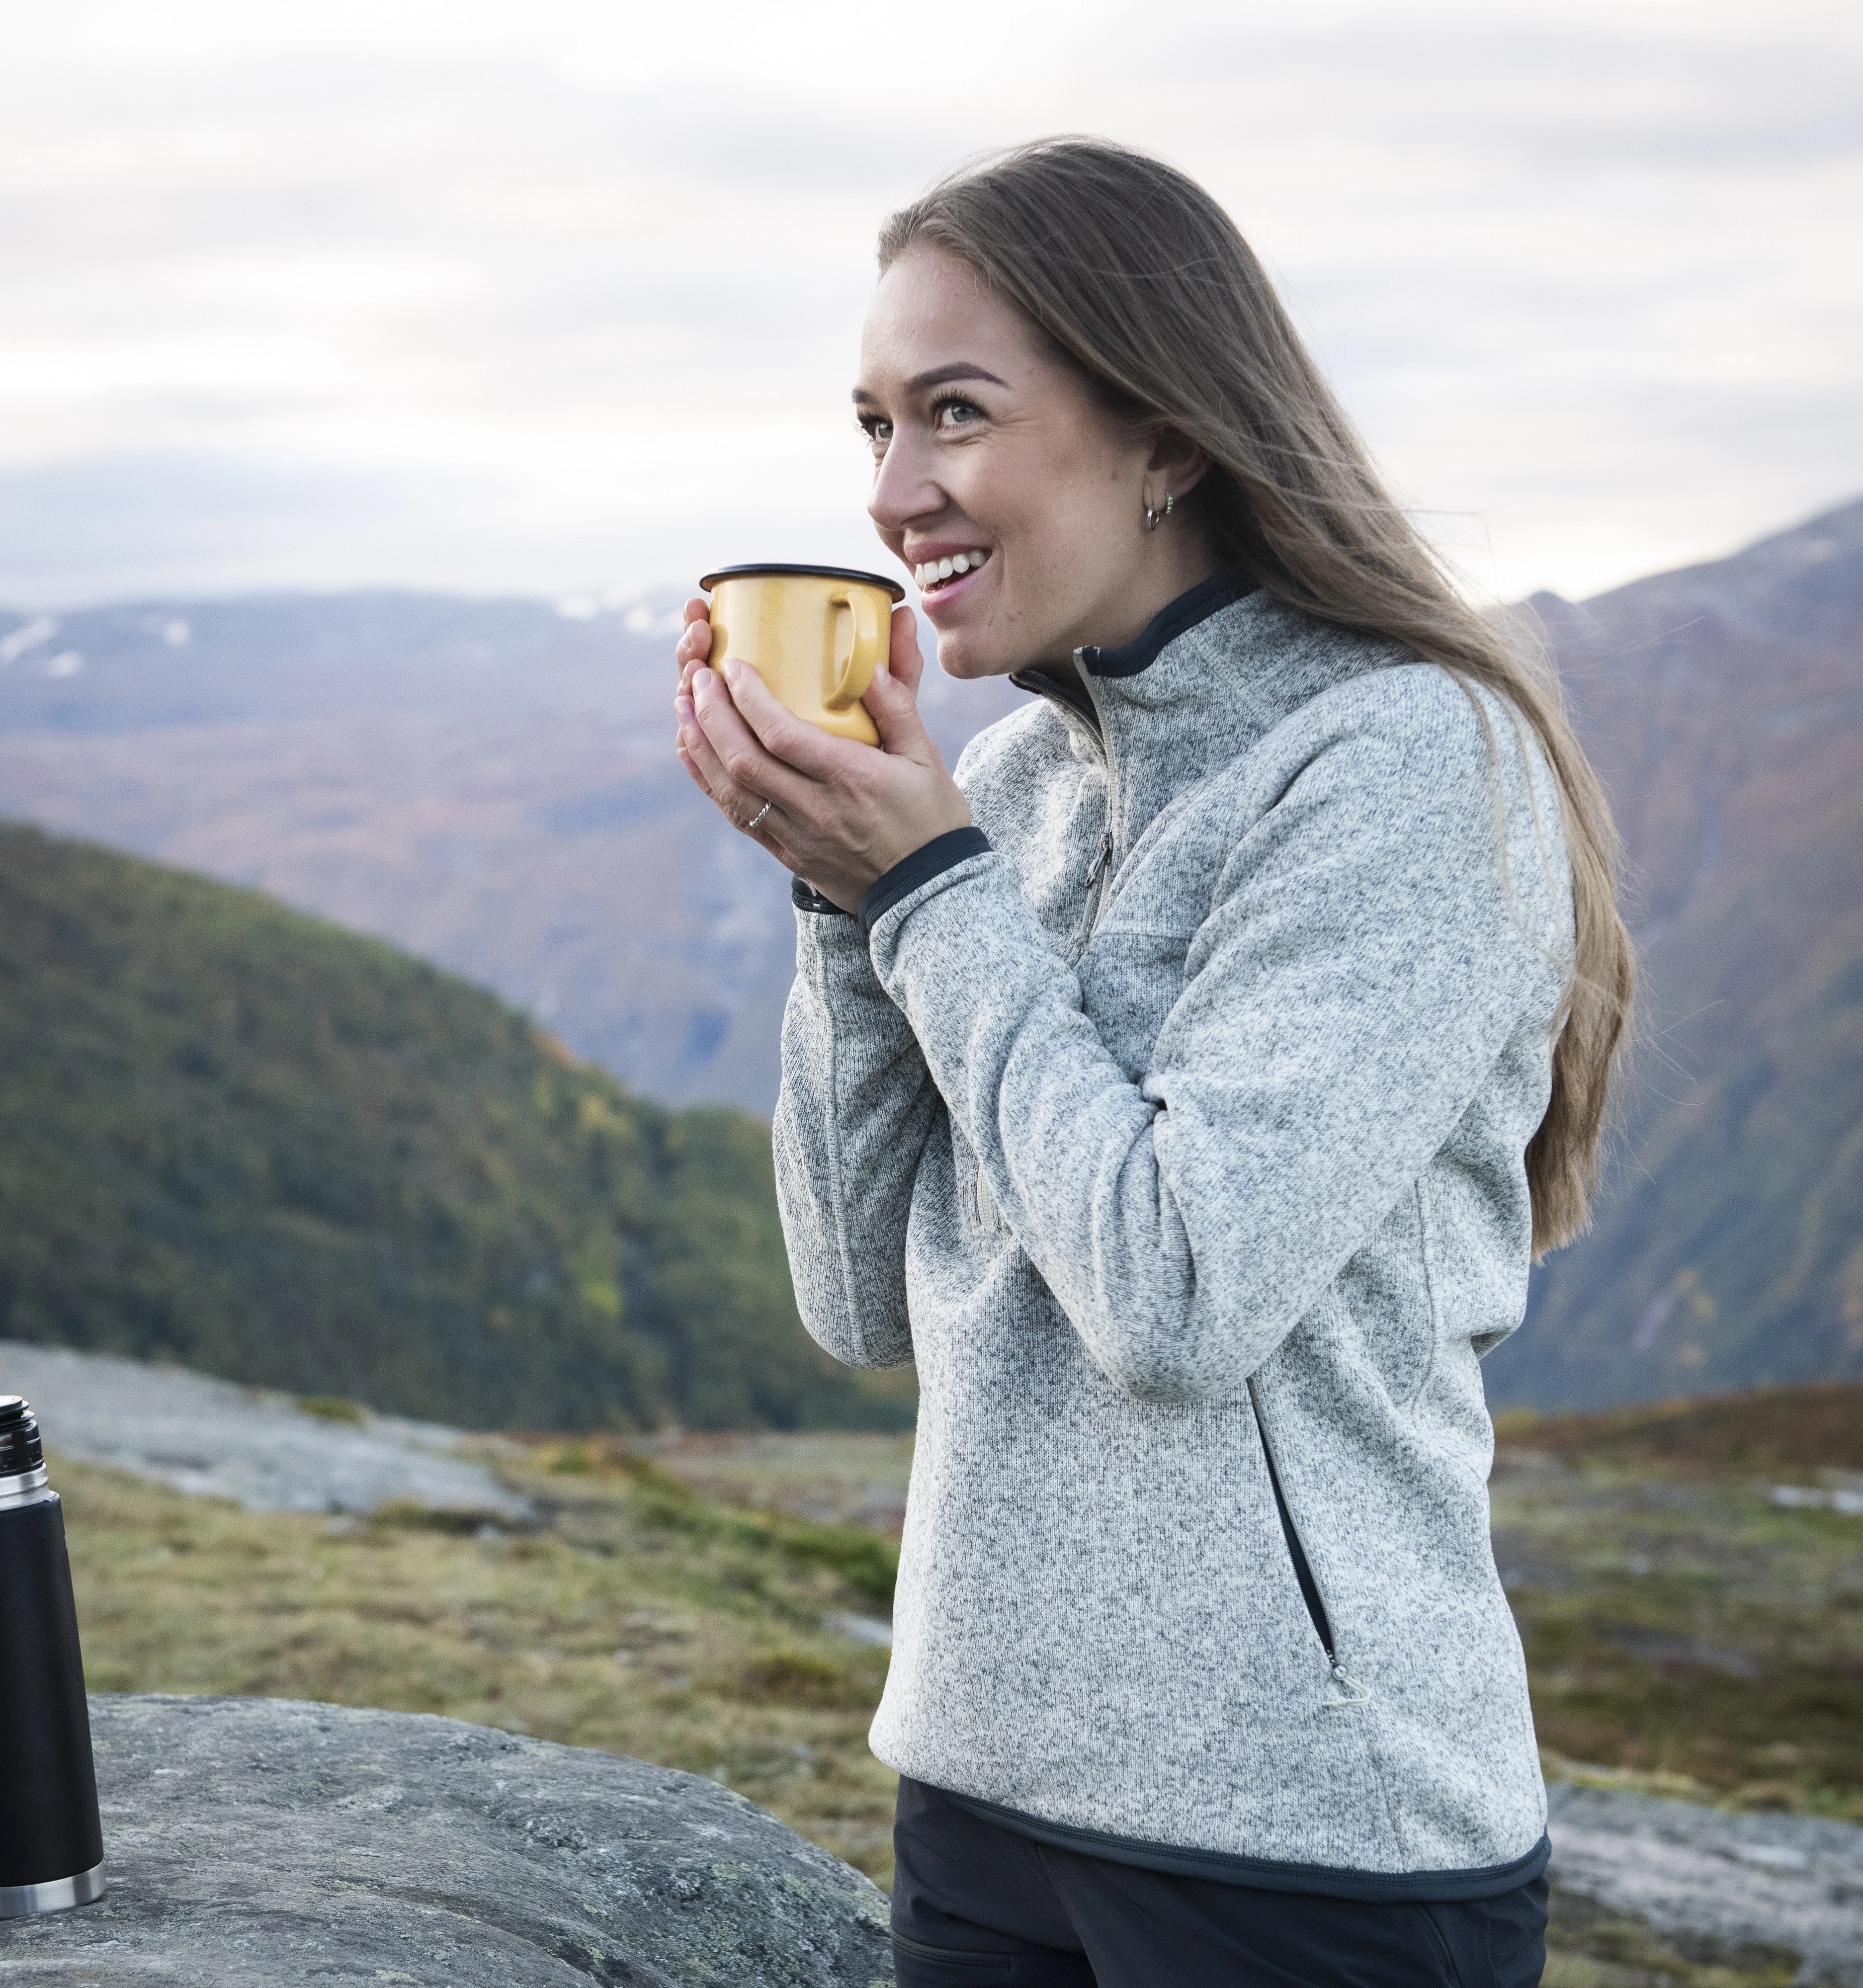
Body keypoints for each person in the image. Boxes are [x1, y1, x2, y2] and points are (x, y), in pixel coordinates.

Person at [672, 136, 1632, 1988]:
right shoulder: (1013, 789)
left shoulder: (1403, 763)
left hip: (1304, 1852)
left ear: (1169, 438)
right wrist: (840, 891)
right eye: (871, 426)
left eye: (952, 413)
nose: (893, 493)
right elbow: (857, 1294)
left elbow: (1179, 1290)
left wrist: (920, 890)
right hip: (980, 1794)